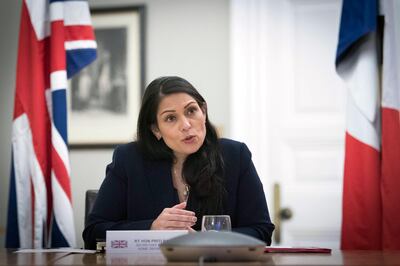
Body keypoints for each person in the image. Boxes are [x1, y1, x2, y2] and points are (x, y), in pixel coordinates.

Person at [83, 76, 275, 249]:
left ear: (204, 111)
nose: (186, 125)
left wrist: (204, 240)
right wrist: (151, 228)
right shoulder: (129, 159)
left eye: (191, 111)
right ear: (155, 129)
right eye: (171, 118)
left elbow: (261, 232)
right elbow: (93, 232)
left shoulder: (235, 155)